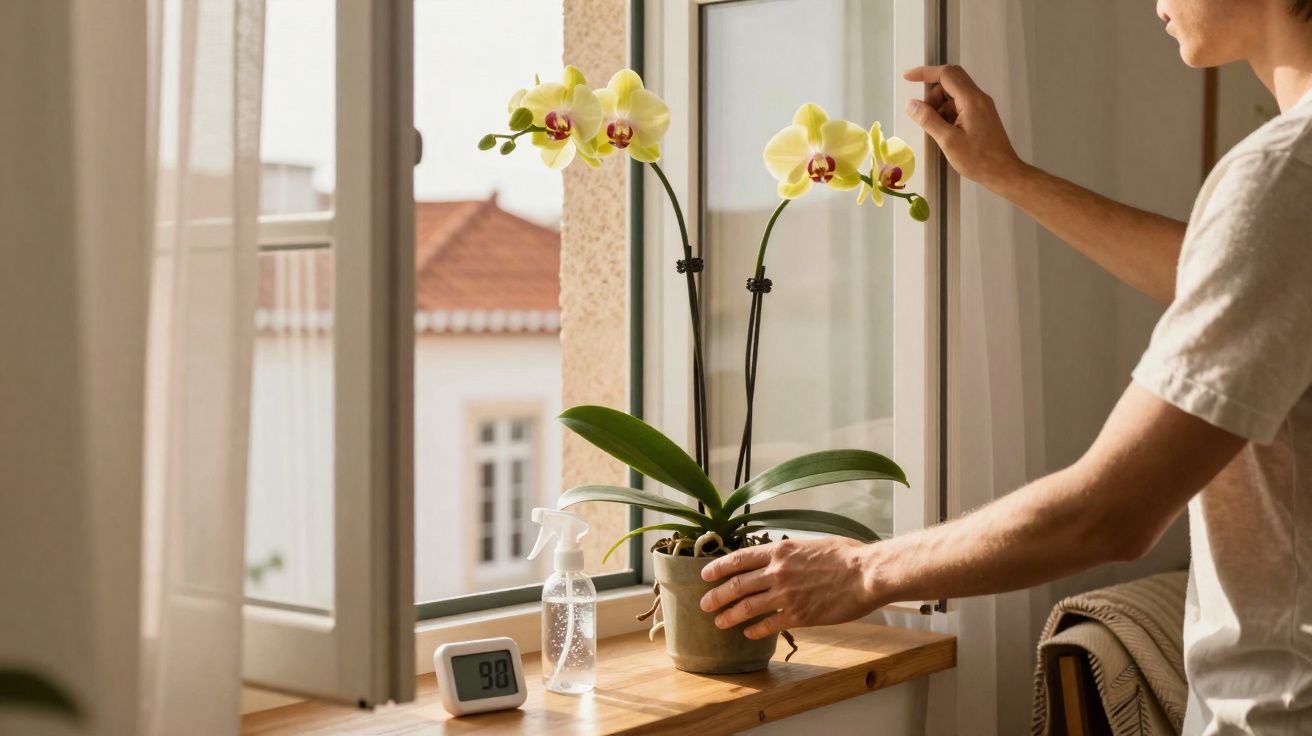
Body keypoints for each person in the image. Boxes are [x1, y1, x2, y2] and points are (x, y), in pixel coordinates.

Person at [700, 0, 1312, 731]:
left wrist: (861, 571)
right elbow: (1225, 274)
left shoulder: (1283, 174)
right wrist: (1009, 176)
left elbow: (1110, 513)